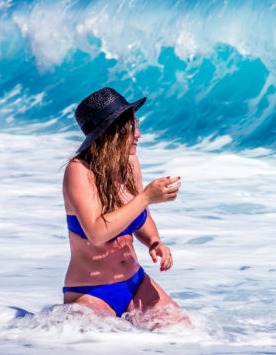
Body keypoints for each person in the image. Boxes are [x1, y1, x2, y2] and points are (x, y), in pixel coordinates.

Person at [62, 87, 185, 327]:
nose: (139, 134)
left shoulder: (129, 164)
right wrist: (146, 197)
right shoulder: (79, 171)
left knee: (186, 335)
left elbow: (139, 215)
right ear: (112, 132)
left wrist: (154, 242)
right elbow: (97, 233)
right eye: (132, 127)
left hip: (134, 283)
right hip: (91, 292)